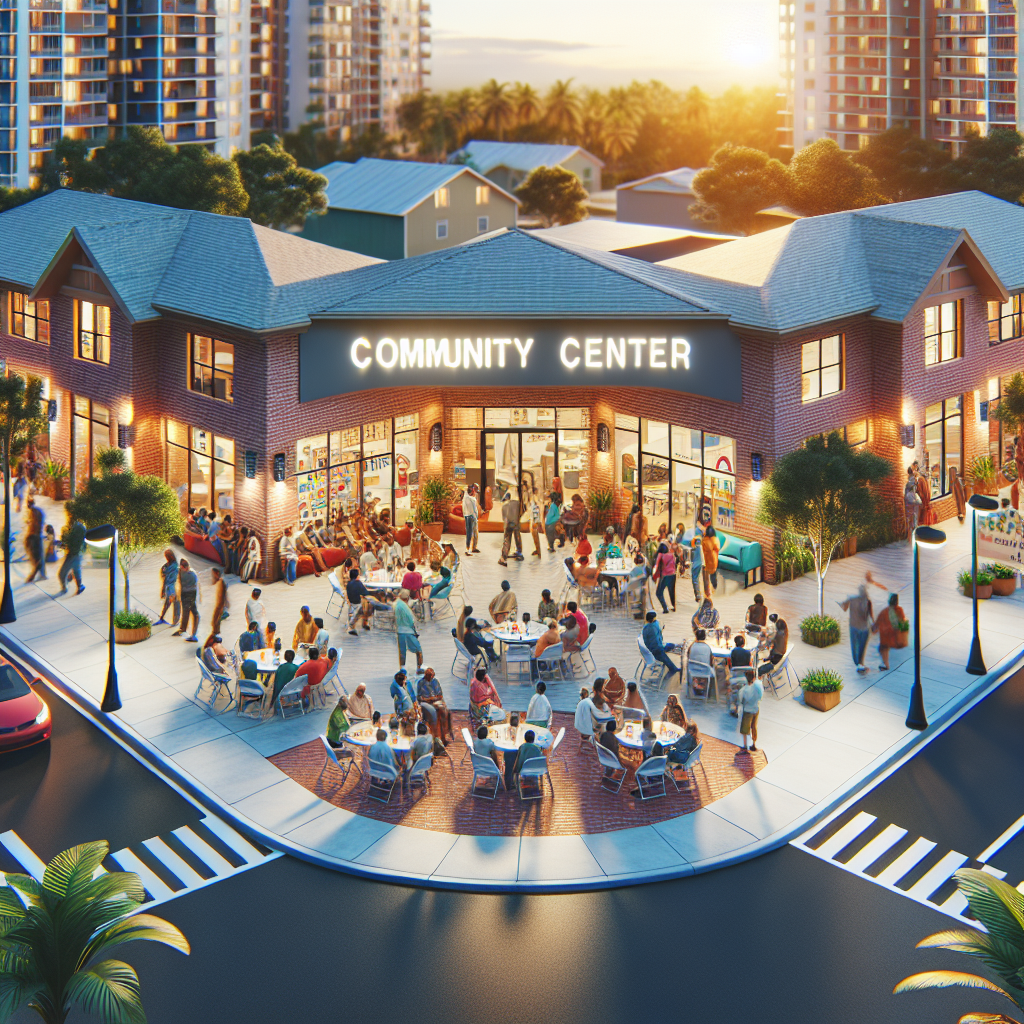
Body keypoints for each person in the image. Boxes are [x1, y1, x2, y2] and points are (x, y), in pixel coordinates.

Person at [839, 584, 874, 674]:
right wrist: (873, 625)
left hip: (854, 626)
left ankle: (858, 663)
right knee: (862, 647)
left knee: (855, 646)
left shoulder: (852, 599)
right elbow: (871, 616)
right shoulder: (867, 601)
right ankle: (860, 663)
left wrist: (842, 603)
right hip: (864, 628)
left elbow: (844, 608)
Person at [345, 568, 391, 634]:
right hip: (360, 603)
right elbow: (365, 593)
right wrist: (374, 592)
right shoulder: (358, 583)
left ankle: (365, 622)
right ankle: (386, 607)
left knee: (371, 601)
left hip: (353, 602)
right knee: (372, 602)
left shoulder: (349, 584)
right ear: (357, 576)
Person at [872, 592, 907, 671]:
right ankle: (885, 663)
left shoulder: (886, 611)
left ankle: (885, 664)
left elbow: (878, 621)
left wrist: (874, 628)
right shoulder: (899, 610)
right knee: (883, 648)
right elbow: (902, 621)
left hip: (887, 634)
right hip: (891, 634)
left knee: (883, 648)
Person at [642, 610, 681, 681]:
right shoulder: (654, 626)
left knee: (671, 646)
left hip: (652, 648)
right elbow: (657, 642)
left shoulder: (646, 627)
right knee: (671, 648)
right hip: (657, 650)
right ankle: (670, 673)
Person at [417, 667, 453, 743]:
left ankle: (445, 733)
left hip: (435, 700)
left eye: (432, 676)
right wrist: (427, 699)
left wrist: (434, 698)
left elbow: (440, 695)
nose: (431, 678)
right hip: (426, 702)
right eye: (429, 676)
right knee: (440, 711)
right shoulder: (421, 683)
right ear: (425, 675)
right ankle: (439, 736)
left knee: (446, 712)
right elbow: (419, 697)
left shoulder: (435, 681)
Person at [394, 589, 424, 674]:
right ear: (407, 598)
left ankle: (402, 668)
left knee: (402, 651)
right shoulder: (406, 608)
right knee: (418, 650)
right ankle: (419, 668)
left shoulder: (397, 605)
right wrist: (416, 631)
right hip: (409, 632)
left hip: (400, 632)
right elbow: (412, 621)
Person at [57, 516, 87, 597]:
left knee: (62, 573)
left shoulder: (78, 528)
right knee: (76, 570)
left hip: (73, 555)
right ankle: (79, 586)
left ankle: (65, 588)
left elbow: (72, 542)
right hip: (76, 554)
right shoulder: (77, 527)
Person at [174, 558, 200, 641]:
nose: (186, 568)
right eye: (184, 567)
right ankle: (183, 629)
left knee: (194, 612)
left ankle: (193, 634)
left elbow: (195, 587)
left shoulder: (192, 574)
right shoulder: (180, 571)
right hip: (184, 593)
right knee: (185, 611)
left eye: (186, 567)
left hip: (191, 593)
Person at [727, 634, 754, 716]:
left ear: (735, 643)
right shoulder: (748, 653)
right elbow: (750, 665)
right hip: (744, 677)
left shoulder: (733, 651)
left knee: (733, 689)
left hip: (735, 676)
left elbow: (730, 664)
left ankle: (733, 707)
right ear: (744, 644)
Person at [737, 672, 764, 753]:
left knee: (745, 729)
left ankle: (745, 746)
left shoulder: (744, 690)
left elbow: (741, 701)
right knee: (754, 727)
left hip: (747, 710)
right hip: (756, 709)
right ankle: (753, 744)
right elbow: (760, 696)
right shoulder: (758, 685)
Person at [498, 489, 523, 566]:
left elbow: (504, 518)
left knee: (507, 540)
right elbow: (521, 512)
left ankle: (503, 558)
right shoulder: (517, 503)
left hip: (508, 524)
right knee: (517, 537)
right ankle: (519, 553)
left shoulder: (504, 506)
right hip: (516, 523)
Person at [23, 497, 46, 582]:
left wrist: (30, 533)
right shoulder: (37, 511)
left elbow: (35, 524)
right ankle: (40, 573)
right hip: (37, 535)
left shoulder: (34, 512)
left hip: (34, 535)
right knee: (37, 555)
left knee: (35, 555)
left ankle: (34, 574)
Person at [206, 567, 229, 646]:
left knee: (215, 622)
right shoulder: (219, 582)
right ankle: (215, 635)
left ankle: (215, 637)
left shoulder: (221, 583)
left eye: (213, 574)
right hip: (219, 606)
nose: (212, 576)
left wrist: (224, 606)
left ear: (217, 574)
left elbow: (222, 597)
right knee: (215, 623)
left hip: (219, 607)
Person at [652, 541, 677, 613]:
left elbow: (656, 565)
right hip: (673, 575)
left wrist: (654, 575)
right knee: (671, 591)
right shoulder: (672, 555)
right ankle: (673, 607)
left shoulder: (660, 555)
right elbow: (674, 563)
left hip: (665, 576)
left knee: (658, 593)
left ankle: (665, 608)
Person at [904, 467, 922, 544]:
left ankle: (912, 531)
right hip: (914, 498)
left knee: (911, 515)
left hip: (911, 498)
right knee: (914, 515)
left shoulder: (910, 480)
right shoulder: (913, 479)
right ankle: (914, 530)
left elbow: (909, 487)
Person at [462, 484, 479, 555]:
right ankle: (468, 549)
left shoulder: (466, 498)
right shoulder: (470, 499)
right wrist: (475, 516)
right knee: (470, 533)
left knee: (473, 533)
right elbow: (473, 510)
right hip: (471, 517)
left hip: (468, 516)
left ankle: (472, 547)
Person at [689, 523, 705, 602]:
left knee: (695, 578)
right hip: (700, 562)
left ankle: (698, 595)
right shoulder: (699, 545)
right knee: (697, 578)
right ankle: (699, 594)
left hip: (696, 563)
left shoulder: (695, 547)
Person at [528, 488, 542, 557]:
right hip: (534, 520)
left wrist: (535, 521)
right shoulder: (534, 499)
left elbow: (535, 510)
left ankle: (538, 550)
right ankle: (537, 549)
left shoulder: (534, 499)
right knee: (535, 536)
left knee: (535, 536)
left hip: (534, 521)